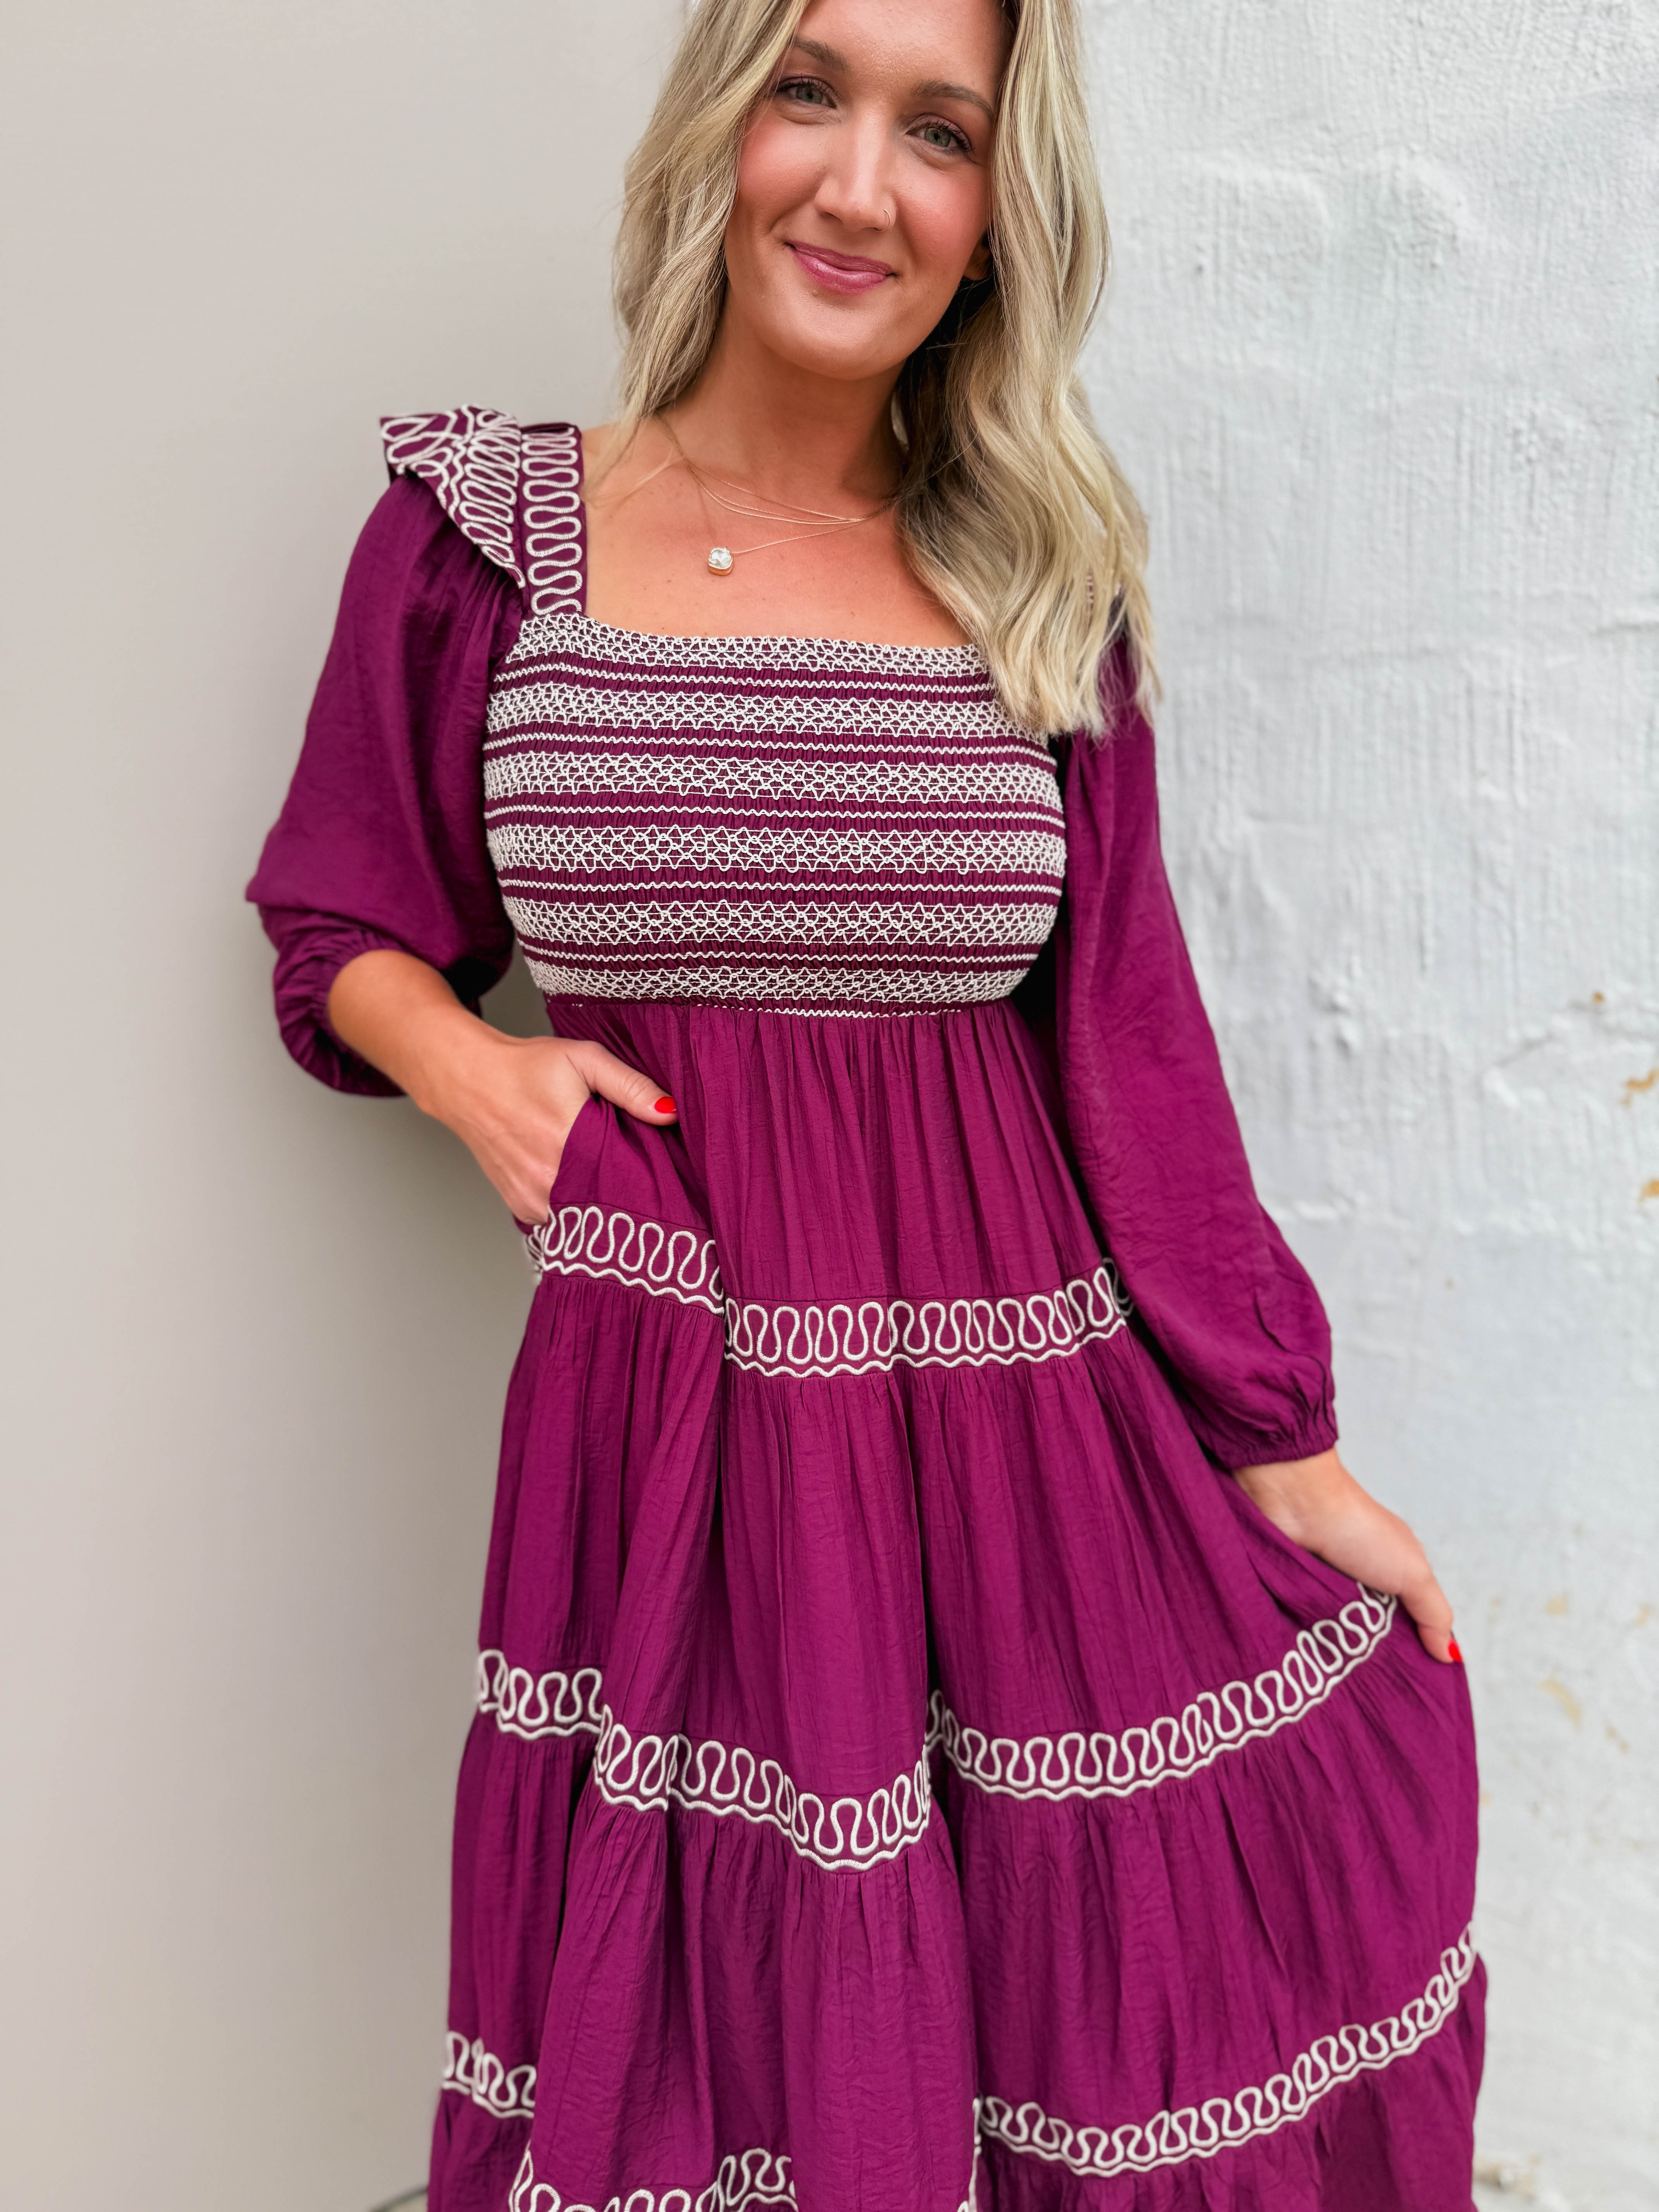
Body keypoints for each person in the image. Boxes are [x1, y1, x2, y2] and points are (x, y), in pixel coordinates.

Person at [248, 0, 1482, 2203]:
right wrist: (477, 1074)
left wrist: (1288, 1447)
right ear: (719, 125)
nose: (857, 184)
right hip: (683, 1422)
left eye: (941, 132)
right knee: (720, 2049)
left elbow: (1135, 1044)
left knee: (1066, 2020)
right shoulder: (486, 538)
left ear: (999, 215)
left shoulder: (1037, 583)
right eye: (808, 91)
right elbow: (339, 911)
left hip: (1029, 1449)